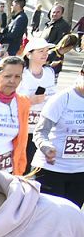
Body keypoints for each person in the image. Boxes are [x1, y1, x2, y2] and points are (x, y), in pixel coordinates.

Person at [32, 64, 84, 206]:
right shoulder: (62, 98)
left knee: (71, 217)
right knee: (49, 218)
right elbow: (40, 132)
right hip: (52, 169)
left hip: (80, 171)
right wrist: (46, 147)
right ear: (81, 73)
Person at [18, 38, 56, 167]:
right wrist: (29, 101)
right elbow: (9, 100)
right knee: (23, 164)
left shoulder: (50, 73)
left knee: (38, 165)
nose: (45, 54)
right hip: (23, 128)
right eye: (40, 51)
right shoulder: (21, 74)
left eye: (47, 51)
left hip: (42, 128)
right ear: (29, 54)